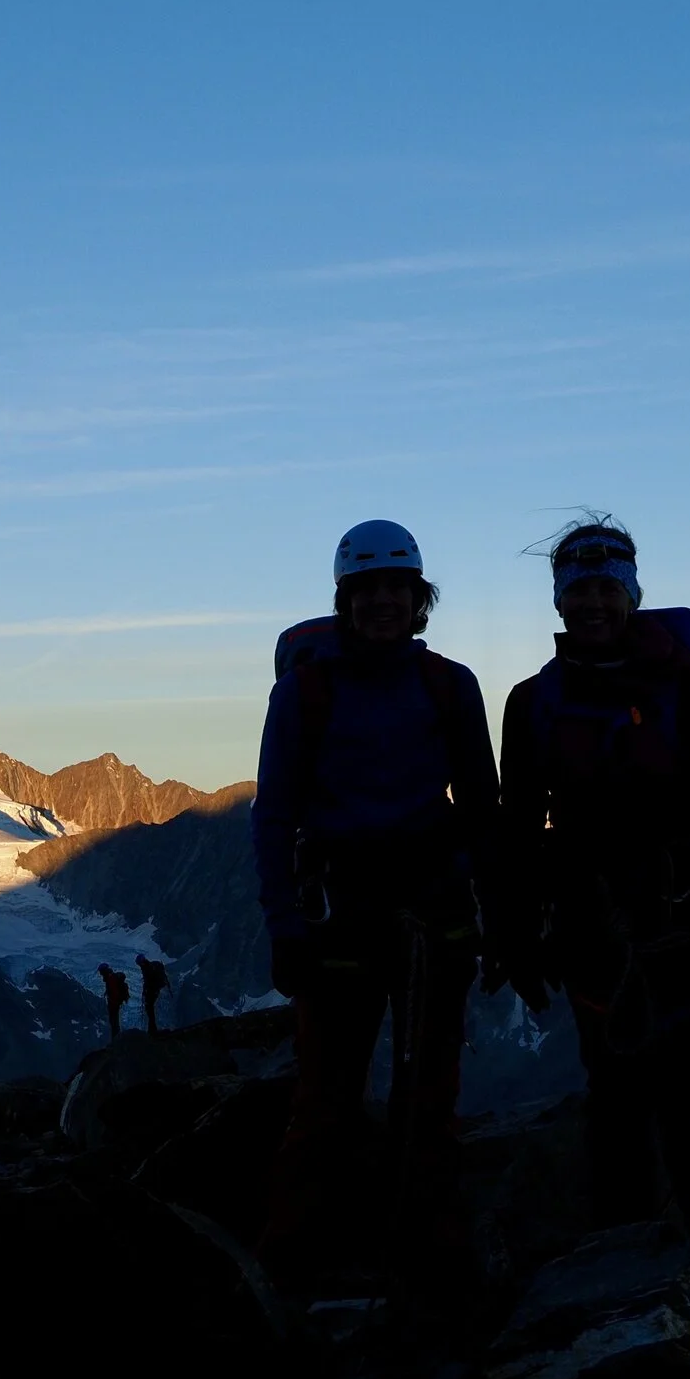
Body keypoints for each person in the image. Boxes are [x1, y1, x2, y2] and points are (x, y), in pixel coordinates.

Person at [493, 512, 690, 1259]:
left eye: (608, 588)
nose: (594, 604)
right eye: (580, 590)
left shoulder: (683, 689)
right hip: (598, 932)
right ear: (559, 601)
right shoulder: (533, 702)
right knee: (618, 1100)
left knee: (685, 1106)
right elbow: (518, 828)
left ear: (631, 593)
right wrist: (515, 927)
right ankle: (648, 1268)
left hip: (683, 923)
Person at [251, 519, 498, 1275]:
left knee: (424, 1100)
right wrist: (285, 924)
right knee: (327, 1101)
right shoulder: (307, 691)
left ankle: (407, 1264)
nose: (385, 601)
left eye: (398, 588)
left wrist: (504, 913)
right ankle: (304, 1268)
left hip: (426, 911)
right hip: (349, 917)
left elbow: (484, 806)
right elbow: (275, 812)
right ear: (345, 600)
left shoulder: (450, 687)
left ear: (419, 600)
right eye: (370, 589)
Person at [99, 962, 131, 1041]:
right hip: (115, 1003)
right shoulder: (112, 977)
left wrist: (113, 1001)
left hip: (114, 1004)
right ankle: (116, 1039)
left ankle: (116, 1040)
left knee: (114, 1022)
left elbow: (114, 992)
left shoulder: (110, 979)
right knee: (114, 1021)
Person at [137, 954, 170, 1032]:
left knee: (150, 1008)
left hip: (153, 991)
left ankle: (153, 1029)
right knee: (151, 1009)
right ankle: (153, 1028)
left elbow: (149, 982)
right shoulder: (151, 966)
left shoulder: (147, 969)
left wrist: (147, 991)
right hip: (156, 990)